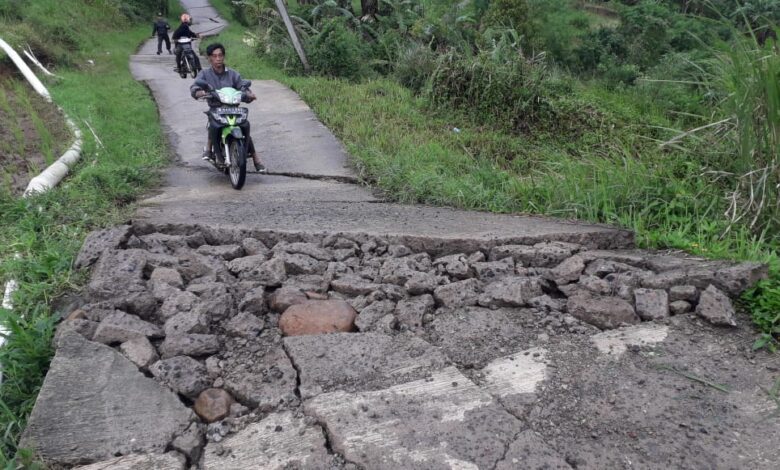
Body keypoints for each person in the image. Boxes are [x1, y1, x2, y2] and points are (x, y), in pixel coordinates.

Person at [190, 43, 265, 172]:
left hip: (233, 109)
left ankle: (255, 157)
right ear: (210, 58)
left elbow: (243, 87)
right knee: (214, 125)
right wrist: (199, 92)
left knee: (244, 125)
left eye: (220, 55)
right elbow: (195, 86)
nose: (218, 58)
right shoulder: (205, 74)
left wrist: (249, 95)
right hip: (216, 108)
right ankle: (215, 153)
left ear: (223, 56)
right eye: (214, 56)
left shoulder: (233, 74)